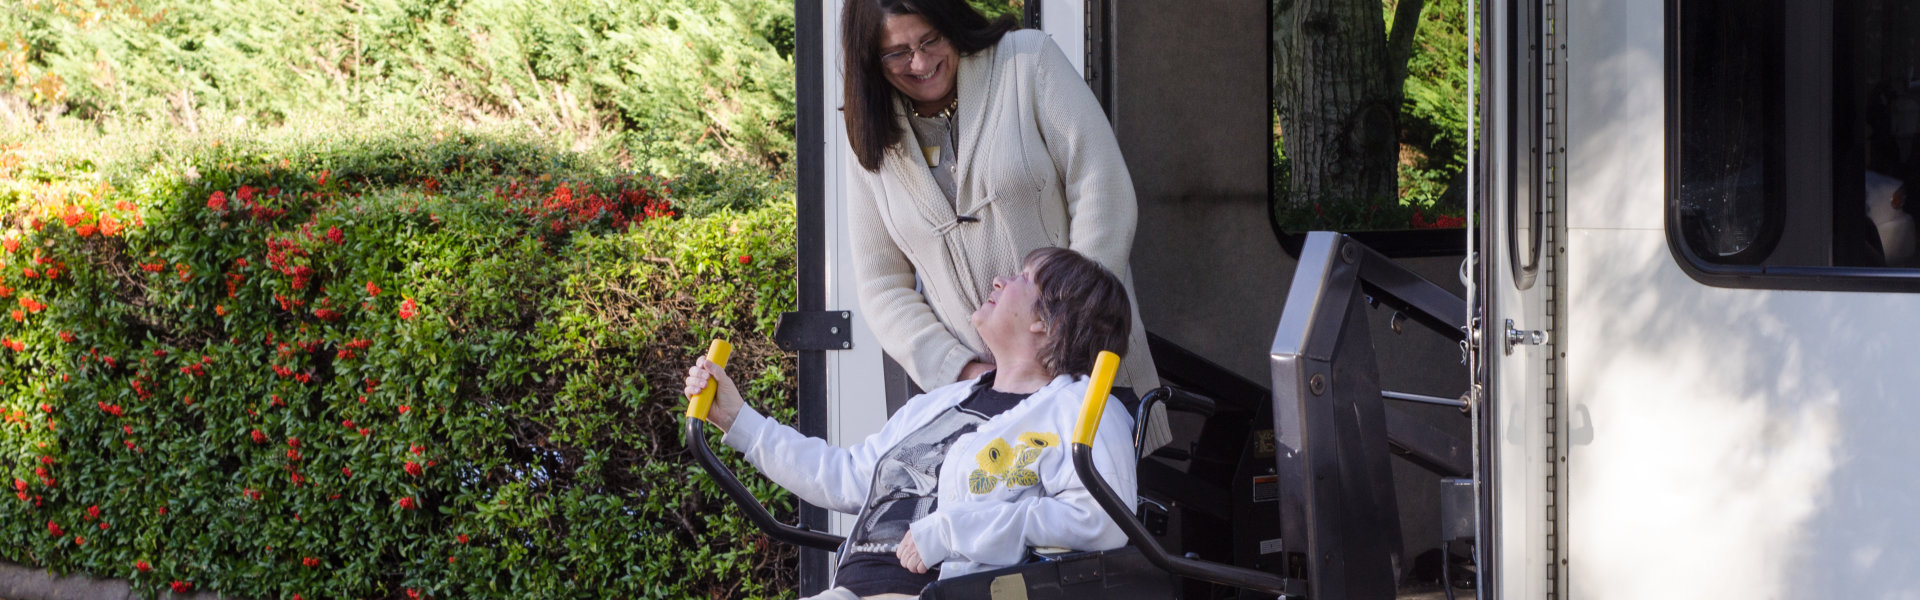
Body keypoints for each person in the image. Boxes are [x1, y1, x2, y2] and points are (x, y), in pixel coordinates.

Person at [684, 247, 1139, 600]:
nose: (1000, 280)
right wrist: (738, 420)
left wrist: (952, 531)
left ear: (1050, 320)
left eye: (1023, 277)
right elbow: (843, 476)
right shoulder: (937, 405)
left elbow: (1101, 521)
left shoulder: (1082, 409)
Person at [838, 0, 1163, 436]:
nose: (920, 61)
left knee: (1106, 497)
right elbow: (882, 288)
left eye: (930, 39)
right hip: (981, 413)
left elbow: (1103, 190)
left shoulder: (1027, 60)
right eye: (897, 52)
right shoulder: (870, 137)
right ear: (870, 59)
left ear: (950, 22)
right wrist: (965, 373)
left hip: (1090, 379)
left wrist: (1066, 337)